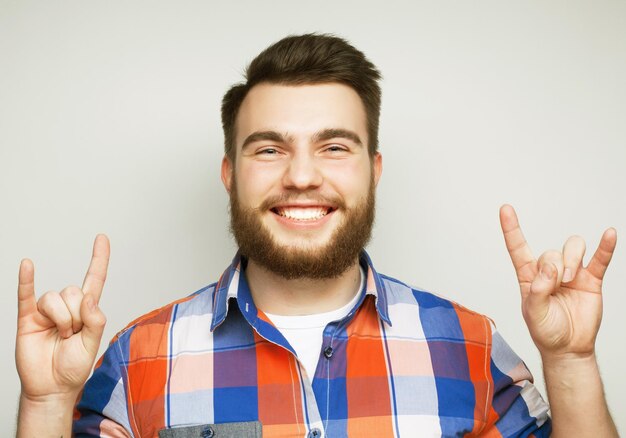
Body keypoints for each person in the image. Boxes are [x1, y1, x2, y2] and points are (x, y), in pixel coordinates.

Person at [15, 34, 618, 437]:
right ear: (230, 175)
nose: (301, 176)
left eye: (334, 147)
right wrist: (44, 405)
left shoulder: (473, 349)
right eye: (270, 148)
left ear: (373, 172)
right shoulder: (136, 359)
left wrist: (571, 360)